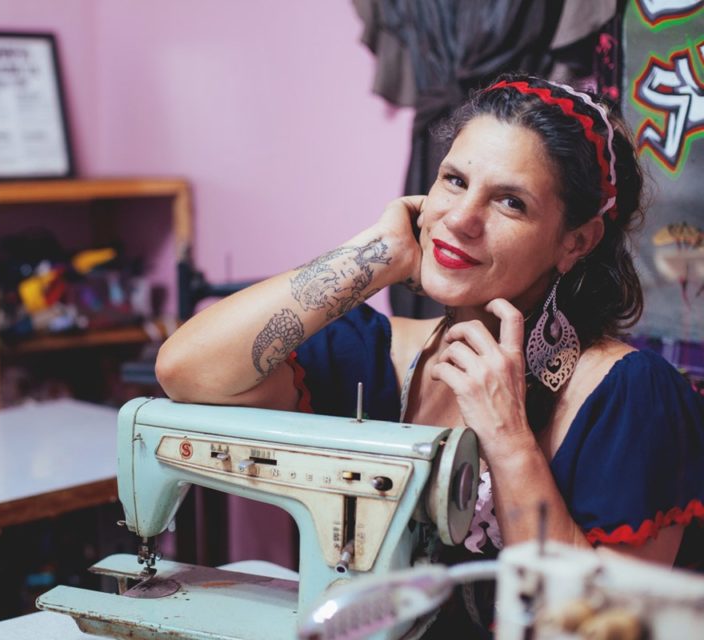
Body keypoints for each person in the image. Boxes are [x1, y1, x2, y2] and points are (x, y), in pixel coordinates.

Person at [156, 73, 704, 634]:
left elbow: (599, 629)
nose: (462, 219)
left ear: (576, 241)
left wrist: (510, 438)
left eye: (510, 202)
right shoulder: (380, 354)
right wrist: (379, 253)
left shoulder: (630, 398)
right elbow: (186, 370)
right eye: (454, 180)